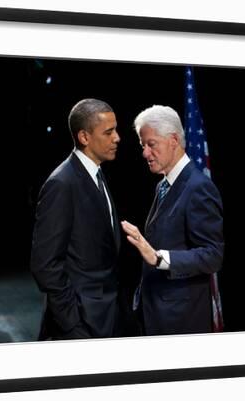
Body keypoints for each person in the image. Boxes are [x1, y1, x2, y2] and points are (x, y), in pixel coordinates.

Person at [121, 104, 224, 336]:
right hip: (156, 313)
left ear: (174, 140)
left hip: (182, 322)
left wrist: (159, 258)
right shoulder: (163, 185)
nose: (145, 153)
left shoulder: (199, 187)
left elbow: (213, 255)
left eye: (151, 144)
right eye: (142, 145)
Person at [30, 98, 121, 340]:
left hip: (104, 316)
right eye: (109, 132)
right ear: (84, 137)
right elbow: (45, 265)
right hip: (80, 324)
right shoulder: (62, 183)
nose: (117, 138)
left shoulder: (96, 175)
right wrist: (72, 324)